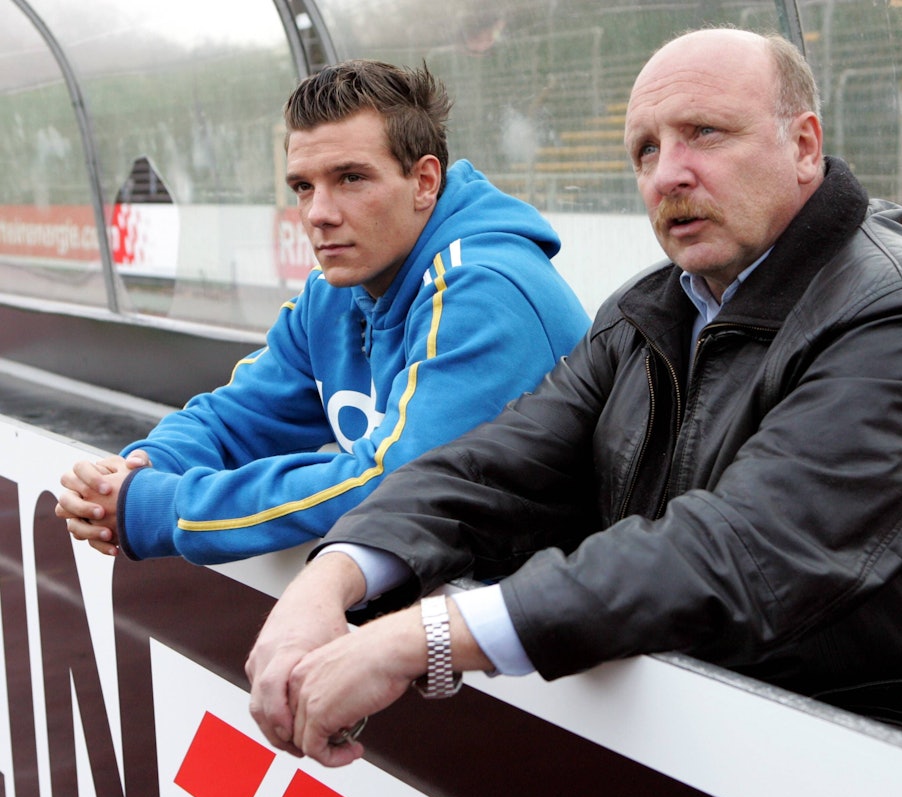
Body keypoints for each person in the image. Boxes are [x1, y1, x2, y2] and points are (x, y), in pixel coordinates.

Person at [244, 28, 902, 783]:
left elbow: (738, 553)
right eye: (644, 148)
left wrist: (422, 638)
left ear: (804, 146)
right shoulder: (650, 313)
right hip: (754, 735)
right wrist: (331, 578)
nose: (668, 172)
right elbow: (496, 464)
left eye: (704, 134)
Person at [54, 60, 589, 564]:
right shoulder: (336, 289)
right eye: (303, 187)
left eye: (351, 178)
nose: (319, 214)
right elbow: (235, 421)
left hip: (567, 647)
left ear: (424, 182)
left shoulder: (485, 289)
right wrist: (137, 471)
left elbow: (396, 484)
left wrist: (162, 507)